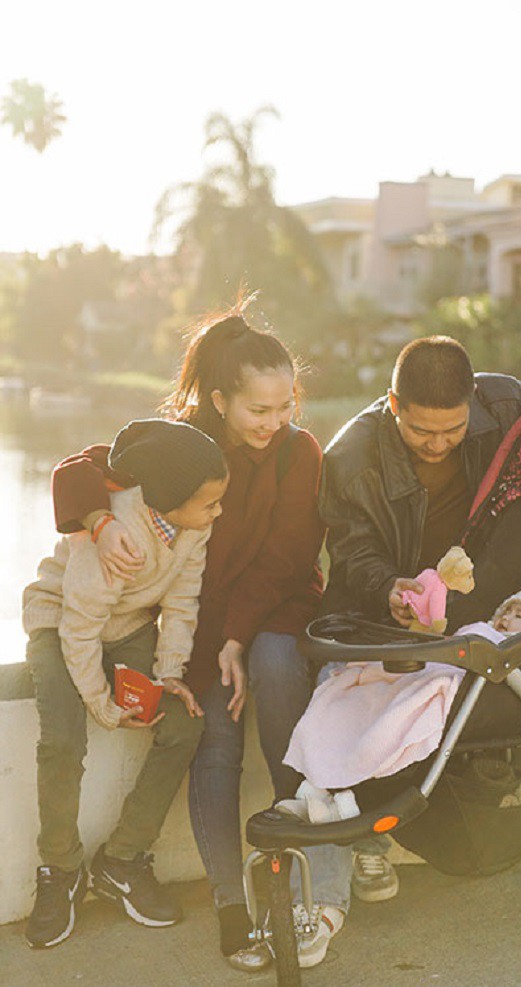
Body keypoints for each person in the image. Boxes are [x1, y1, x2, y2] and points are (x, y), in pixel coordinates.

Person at [316, 335, 521, 938]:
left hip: (483, 582)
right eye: (423, 431)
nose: (441, 443)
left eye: (453, 429)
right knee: (380, 698)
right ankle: (371, 831)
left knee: (470, 693)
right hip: (394, 595)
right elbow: (353, 552)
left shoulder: (499, 404)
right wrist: (391, 588)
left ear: (472, 401)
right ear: (393, 403)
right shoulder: (351, 456)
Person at [49, 305, 330, 971]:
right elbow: (76, 470)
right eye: (258, 409)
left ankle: (293, 882)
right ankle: (231, 904)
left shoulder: (300, 451)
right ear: (221, 399)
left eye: (285, 405)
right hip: (195, 621)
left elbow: (287, 558)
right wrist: (98, 519)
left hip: (274, 609)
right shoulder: (182, 448)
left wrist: (238, 636)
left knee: (280, 678)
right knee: (215, 736)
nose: (274, 422)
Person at [23, 419, 228, 949]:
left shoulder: (194, 528)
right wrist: (104, 705)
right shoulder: (117, 536)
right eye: (209, 503)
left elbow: (182, 606)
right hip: (62, 621)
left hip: (130, 626)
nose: (217, 513)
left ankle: (122, 859)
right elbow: (80, 630)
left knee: (184, 724)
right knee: (63, 741)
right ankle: (61, 868)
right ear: (170, 500)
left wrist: (168, 677)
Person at [283, 583, 521, 791]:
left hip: (455, 681)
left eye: (519, 616)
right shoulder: (485, 629)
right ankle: (324, 776)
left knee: (396, 708)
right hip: (440, 663)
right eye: (507, 610)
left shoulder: (518, 655)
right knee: (364, 690)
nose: (505, 618)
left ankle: (342, 773)